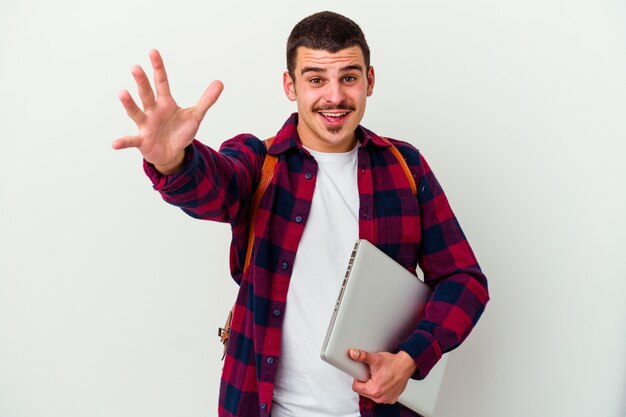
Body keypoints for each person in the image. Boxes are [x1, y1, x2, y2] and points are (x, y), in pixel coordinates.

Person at [113, 11, 489, 417]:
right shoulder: (258, 161)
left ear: (370, 81)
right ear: (290, 85)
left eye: (348, 77)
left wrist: (411, 358)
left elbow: (463, 280)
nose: (334, 96)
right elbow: (213, 189)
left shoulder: (405, 166)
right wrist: (175, 162)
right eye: (315, 79)